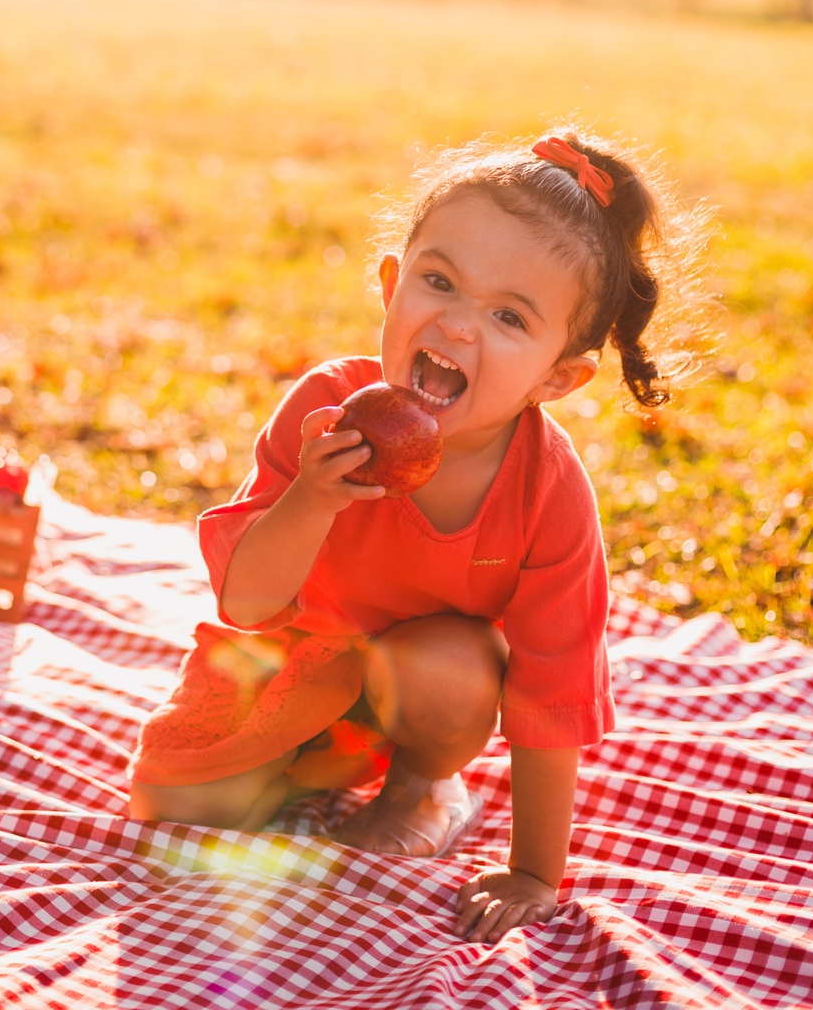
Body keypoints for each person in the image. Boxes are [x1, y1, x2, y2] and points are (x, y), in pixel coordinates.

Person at [127, 130, 700, 945]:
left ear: (556, 376)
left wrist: (534, 871)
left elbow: (553, 694)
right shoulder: (326, 409)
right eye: (439, 282)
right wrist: (314, 499)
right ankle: (302, 760)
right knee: (175, 812)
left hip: (424, 686)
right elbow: (247, 603)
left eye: (508, 316)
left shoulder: (547, 490)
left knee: (451, 665)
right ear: (392, 286)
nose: (459, 326)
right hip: (292, 656)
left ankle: (422, 788)